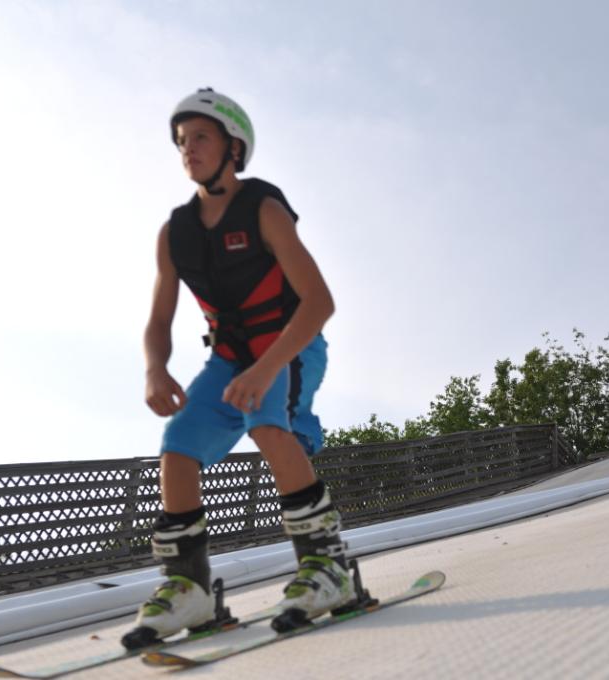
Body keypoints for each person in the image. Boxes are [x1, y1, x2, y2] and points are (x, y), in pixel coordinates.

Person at [125, 88, 351, 647]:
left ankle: (328, 568)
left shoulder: (264, 210)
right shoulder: (174, 233)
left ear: (233, 147)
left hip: (290, 346)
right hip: (230, 358)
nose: (188, 148)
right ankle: (190, 587)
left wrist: (267, 368)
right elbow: (158, 320)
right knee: (178, 445)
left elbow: (319, 301)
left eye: (201, 136)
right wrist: (155, 369)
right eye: (182, 140)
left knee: (268, 426)